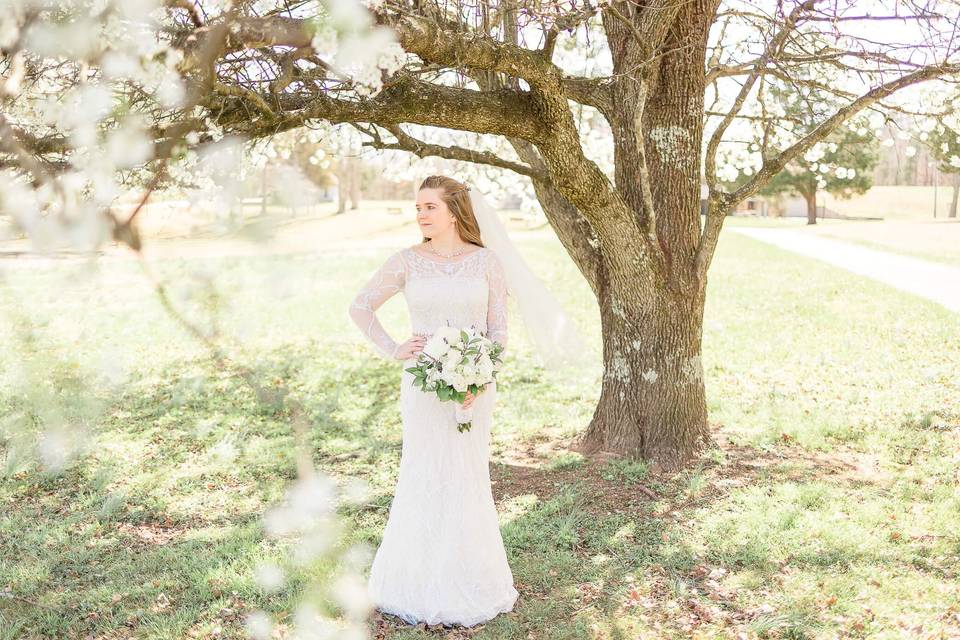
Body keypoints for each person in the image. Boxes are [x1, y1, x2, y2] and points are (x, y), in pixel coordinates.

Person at [347, 174, 520, 627]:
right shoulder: (406, 261)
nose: (420, 214)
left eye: (429, 206)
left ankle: (469, 575)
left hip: (474, 388)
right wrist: (393, 347)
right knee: (425, 471)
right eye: (418, 207)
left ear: (454, 212)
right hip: (422, 385)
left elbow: (498, 331)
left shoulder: (487, 263)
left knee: (465, 474)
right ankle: (415, 580)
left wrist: (481, 378)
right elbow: (360, 306)